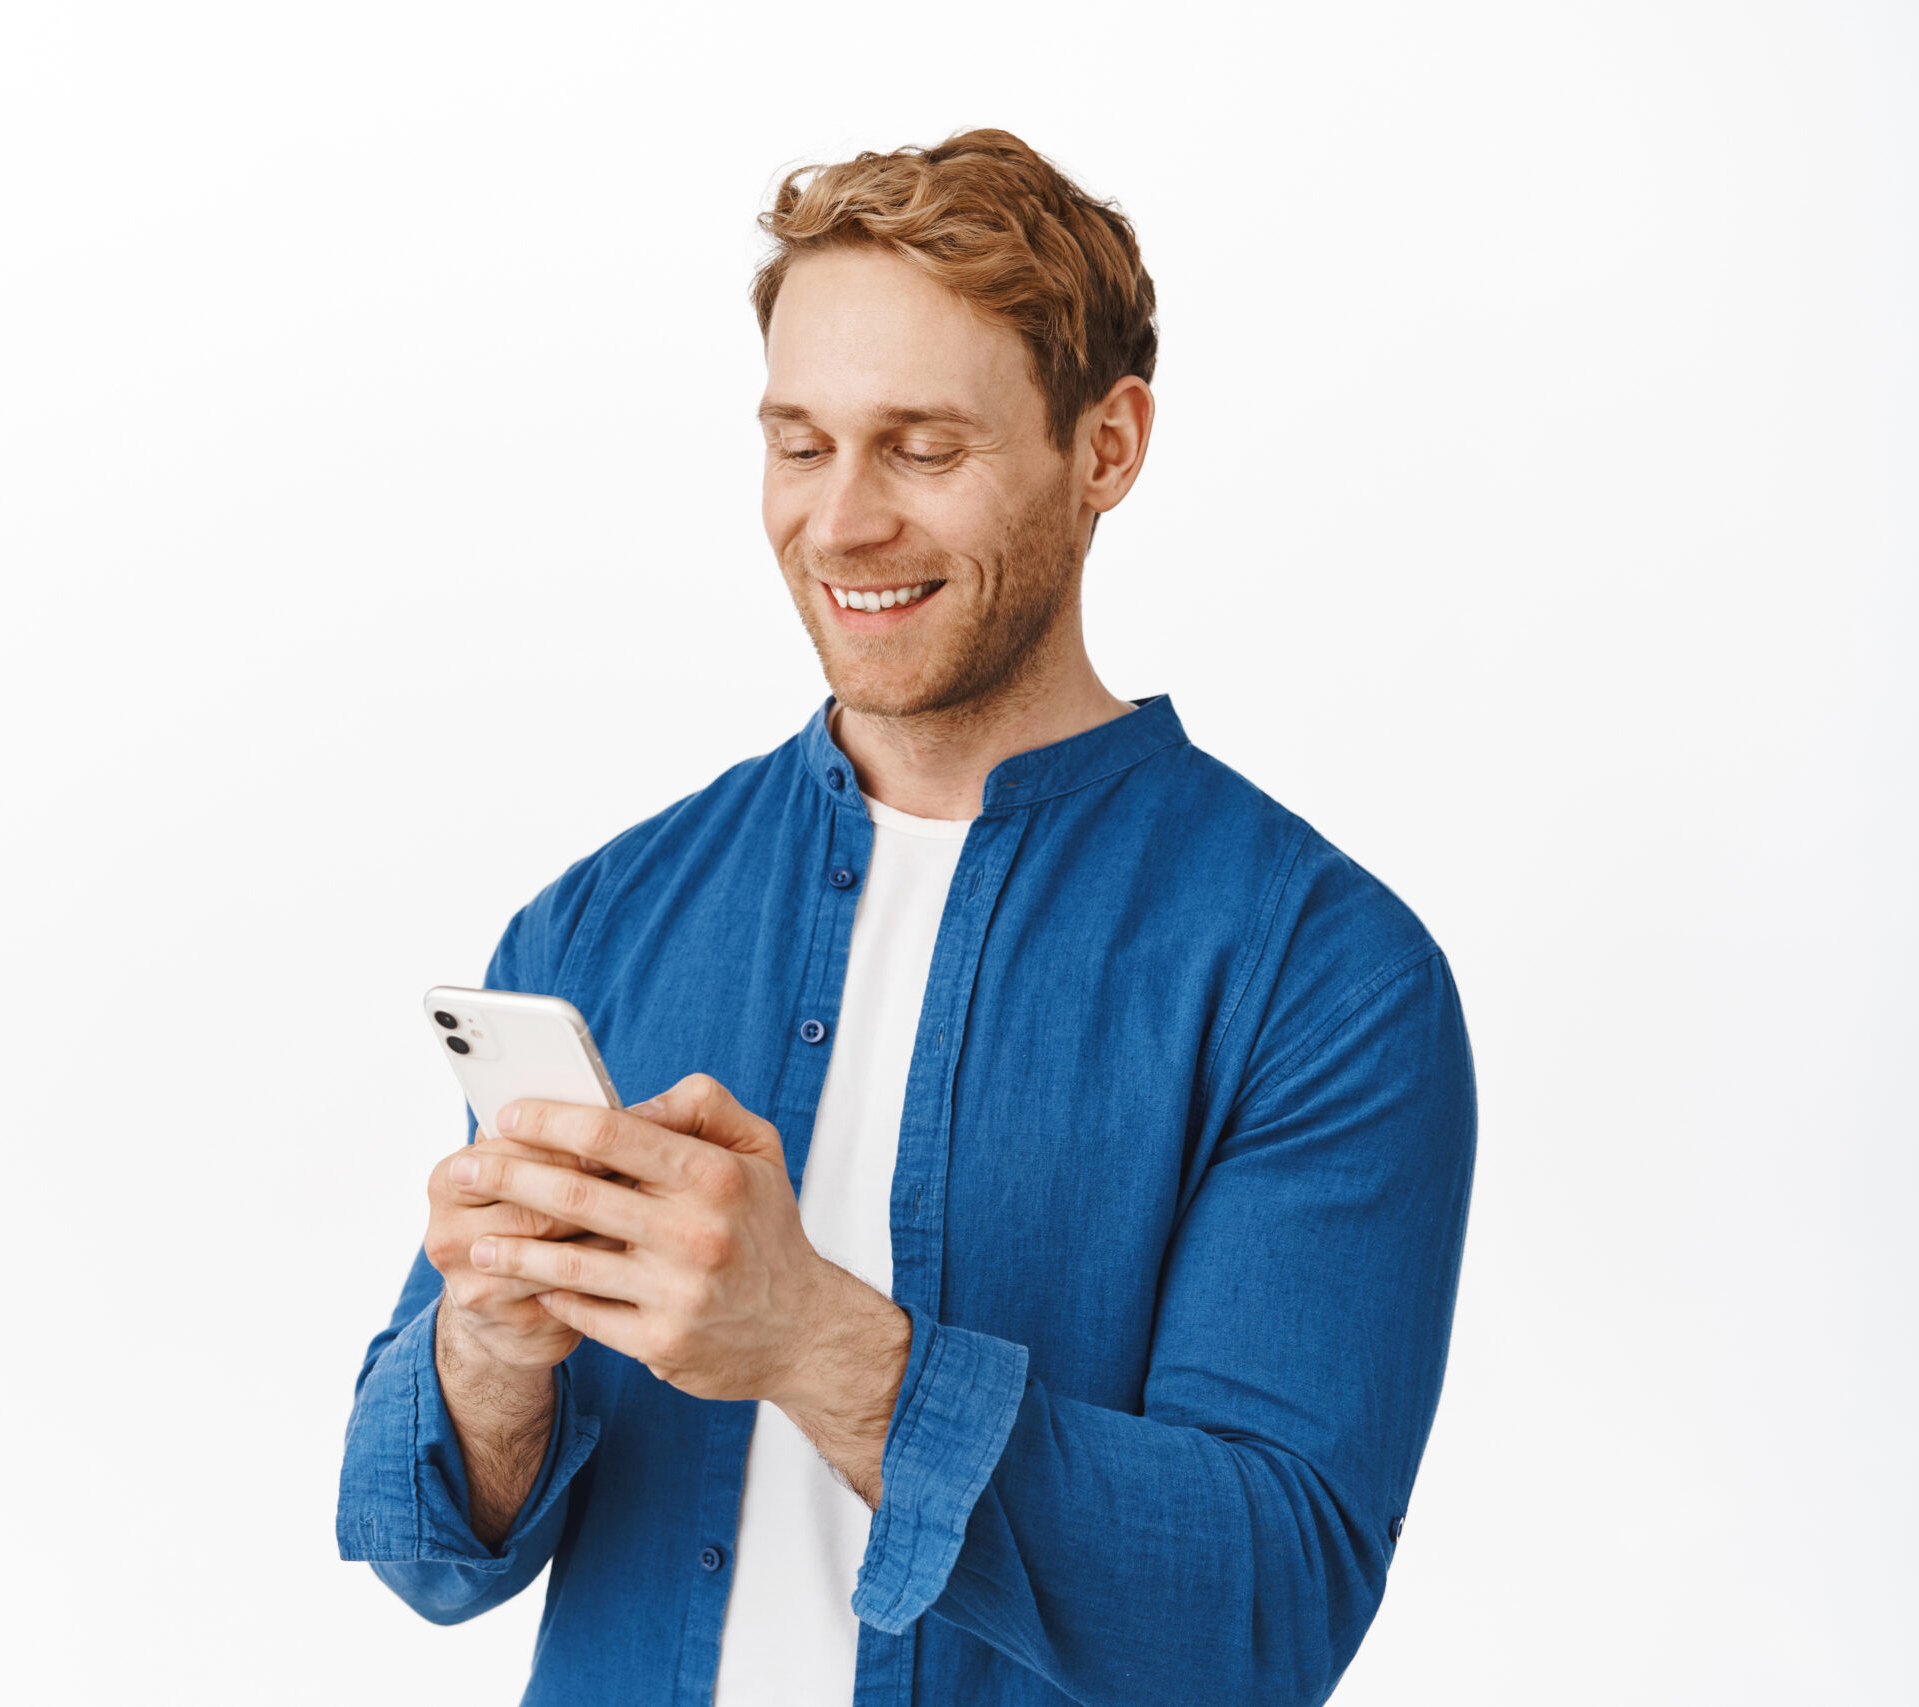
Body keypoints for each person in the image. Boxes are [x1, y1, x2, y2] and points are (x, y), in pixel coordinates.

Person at [335, 128, 1475, 1707]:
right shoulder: (599, 922)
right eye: (799, 445)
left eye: (923, 449)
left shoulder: (1322, 977)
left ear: (1108, 447)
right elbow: (424, 1554)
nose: (841, 523)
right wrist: (489, 1357)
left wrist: (815, 1343)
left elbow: (1260, 1616)